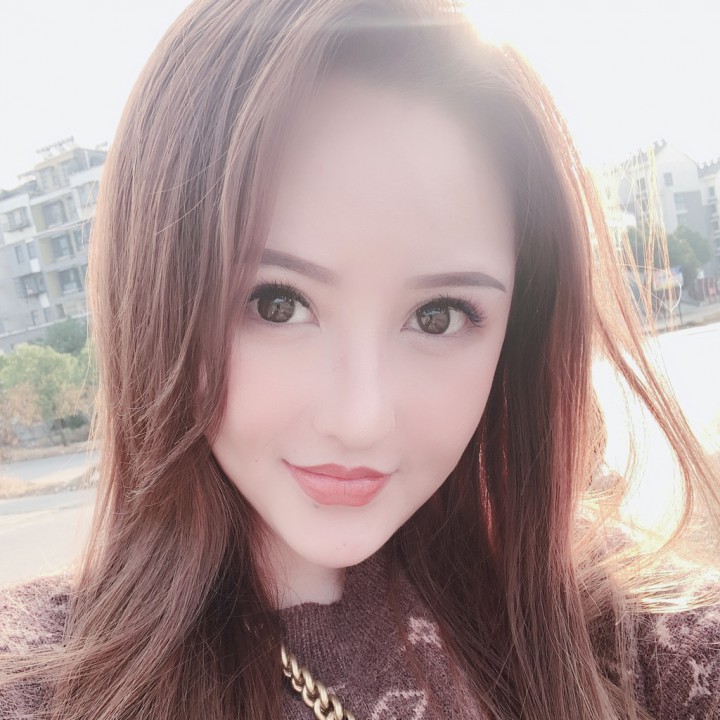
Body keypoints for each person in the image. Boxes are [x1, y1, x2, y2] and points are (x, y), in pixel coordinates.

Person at [1, 1, 719, 718]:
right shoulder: (43, 679)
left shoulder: (609, 624)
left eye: (438, 316)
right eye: (277, 303)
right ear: (156, 298)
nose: (360, 419)